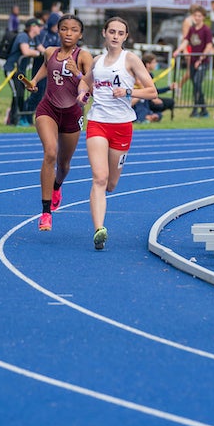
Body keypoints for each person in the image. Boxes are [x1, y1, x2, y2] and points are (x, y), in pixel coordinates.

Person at [79, 17, 156, 251]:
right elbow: (84, 83)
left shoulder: (130, 59)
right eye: (111, 31)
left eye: (120, 33)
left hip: (122, 126)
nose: (115, 36)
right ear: (104, 33)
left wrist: (128, 91)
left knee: (111, 183)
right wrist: (82, 94)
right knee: (99, 178)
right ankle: (99, 229)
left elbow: (151, 91)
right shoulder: (97, 61)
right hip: (98, 123)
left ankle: (103, 201)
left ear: (125, 36)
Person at [23, 14, 94, 231]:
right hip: (48, 109)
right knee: (50, 153)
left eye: (73, 30)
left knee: (63, 165)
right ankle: (45, 213)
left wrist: (76, 74)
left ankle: (57, 185)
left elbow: (89, 88)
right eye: (64, 29)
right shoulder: (49, 51)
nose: (68, 33)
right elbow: (47, 66)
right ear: (58, 31)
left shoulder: (84, 56)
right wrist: (34, 81)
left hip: (73, 113)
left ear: (80, 34)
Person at [172, 5, 214, 117]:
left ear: (203, 17)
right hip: (193, 60)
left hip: (202, 62)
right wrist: (178, 50)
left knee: (197, 83)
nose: (197, 18)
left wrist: (201, 58)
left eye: (199, 16)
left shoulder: (206, 30)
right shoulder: (191, 29)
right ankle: (203, 109)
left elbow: (209, 45)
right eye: (195, 15)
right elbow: (186, 41)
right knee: (195, 85)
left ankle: (197, 109)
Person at [4, 18, 43, 126]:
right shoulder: (23, 36)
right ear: (32, 27)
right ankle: (14, 119)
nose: (40, 28)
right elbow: (25, 51)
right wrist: (37, 54)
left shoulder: (34, 38)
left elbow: (43, 50)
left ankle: (16, 117)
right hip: (12, 70)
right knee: (17, 94)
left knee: (21, 94)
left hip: (21, 72)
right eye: (38, 26)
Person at [132, 52, 174, 122]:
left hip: (147, 97)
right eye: (154, 62)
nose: (156, 64)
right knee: (146, 106)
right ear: (148, 64)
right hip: (141, 98)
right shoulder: (139, 74)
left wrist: (168, 88)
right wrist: (152, 98)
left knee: (166, 103)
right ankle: (146, 117)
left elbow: (154, 90)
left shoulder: (150, 75)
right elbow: (143, 88)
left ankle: (151, 116)